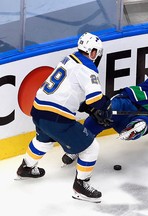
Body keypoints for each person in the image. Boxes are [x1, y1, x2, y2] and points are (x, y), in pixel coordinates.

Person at [16, 32, 110, 203]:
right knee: (91, 148)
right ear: (94, 52)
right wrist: (106, 107)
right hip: (57, 118)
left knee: (43, 140)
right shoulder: (88, 68)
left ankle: (26, 167)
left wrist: (86, 107)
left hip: (38, 110)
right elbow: (96, 99)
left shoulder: (69, 59)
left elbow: (68, 91)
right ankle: (81, 186)